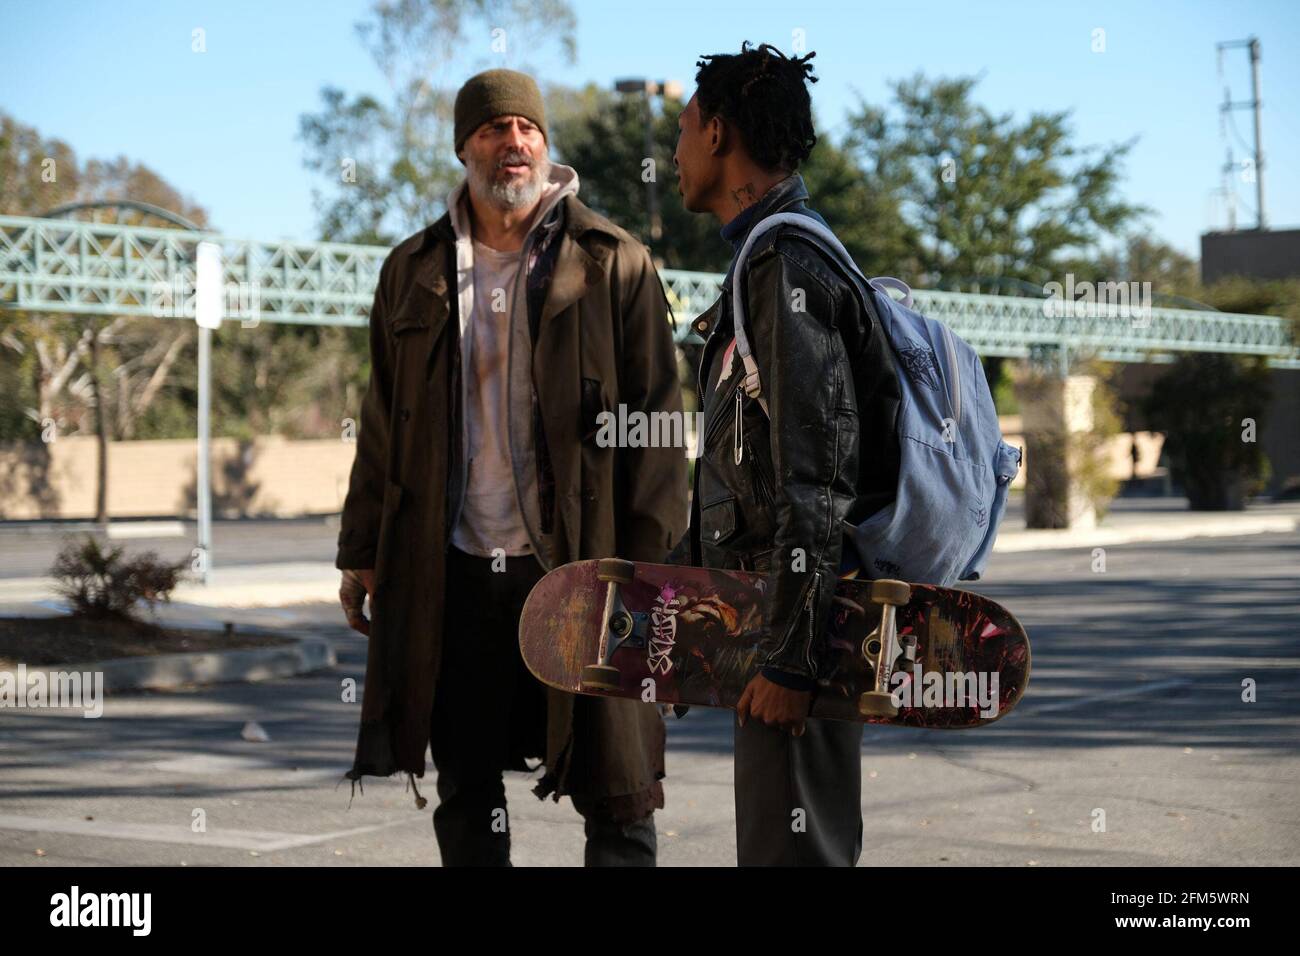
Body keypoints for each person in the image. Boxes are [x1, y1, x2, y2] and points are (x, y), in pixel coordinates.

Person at [336, 68, 688, 866]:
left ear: (545, 144)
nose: (515, 141)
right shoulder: (412, 271)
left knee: (618, 786)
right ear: (465, 146)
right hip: (455, 568)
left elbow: (662, 425)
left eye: (527, 127)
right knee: (465, 785)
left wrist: (649, 568)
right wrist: (361, 551)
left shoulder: (614, 263)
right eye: (495, 128)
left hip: (583, 566)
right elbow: (383, 428)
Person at [670, 43, 903, 865]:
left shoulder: (783, 265)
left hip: (797, 629)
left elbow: (816, 475)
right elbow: (753, 472)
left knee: (793, 856)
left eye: (685, 129)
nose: (675, 152)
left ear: (720, 134)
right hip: (773, 619)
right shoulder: (765, 258)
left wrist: (793, 659)